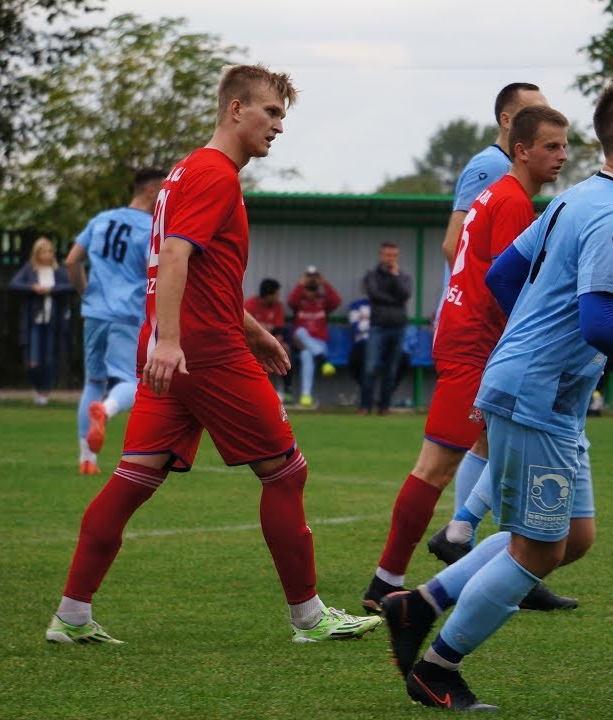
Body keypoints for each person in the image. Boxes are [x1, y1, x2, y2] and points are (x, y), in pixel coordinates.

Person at [381, 79, 613, 710]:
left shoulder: (576, 198)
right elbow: (597, 319)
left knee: (573, 537)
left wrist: (534, 332)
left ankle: (419, 603)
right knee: (538, 547)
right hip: (535, 397)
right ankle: (438, 666)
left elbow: (505, 272)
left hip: (549, 394)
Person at [46, 64, 379, 646]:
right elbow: (175, 257)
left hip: (178, 349)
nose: (278, 126)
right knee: (286, 472)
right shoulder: (214, 174)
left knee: (132, 478)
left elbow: (202, 272)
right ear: (235, 110)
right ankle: (309, 618)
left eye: (282, 115)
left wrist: (248, 329)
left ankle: (71, 615)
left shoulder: (184, 174)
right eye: (270, 112)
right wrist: (176, 341)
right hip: (201, 352)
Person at [363, 105, 576, 615]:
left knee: (497, 449)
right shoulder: (510, 202)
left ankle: (486, 554)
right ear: (521, 149)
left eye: (565, 147)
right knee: (435, 466)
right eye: (552, 147)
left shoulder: (500, 196)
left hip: (468, 336)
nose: (562, 157)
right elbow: (509, 285)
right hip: (474, 346)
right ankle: (384, 583)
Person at [438, 83, 547, 535]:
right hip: (478, 326)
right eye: (533, 111)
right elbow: (453, 244)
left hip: (479, 322)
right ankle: (467, 542)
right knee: (470, 445)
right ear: (509, 121)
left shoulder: (509, 176)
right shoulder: (493, 169)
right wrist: (484, 311)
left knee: (489, 439)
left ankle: (469, 540)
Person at [65, 168, 164, 475]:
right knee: (132, 381)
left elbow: (71, 260)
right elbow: (158, 275)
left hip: (94, 313)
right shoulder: (151, 229)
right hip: (127, 314)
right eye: (163, 191)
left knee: (93, 381)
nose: (166, 197)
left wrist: (86, 293)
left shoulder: (101, 220)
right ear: (150, 191)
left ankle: (87, 460)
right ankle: (105, 411)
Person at [10, 237, 73, 405]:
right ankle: (37, 387)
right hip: (35, 321)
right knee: (33, 360)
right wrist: (33, 288)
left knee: (49, 357)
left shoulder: (58, 271)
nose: (48, 255)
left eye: (50, 251)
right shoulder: (30, 270)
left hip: (53, 321)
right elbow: (14, 284)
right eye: (44, 251)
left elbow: (70, 285)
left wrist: (52, 290)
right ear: (37, 254)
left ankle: (45, 391)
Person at [360, 243, 412, 415]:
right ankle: (365, 406)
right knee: (370, 367)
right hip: (378, 327)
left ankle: (384, 407)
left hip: (398, 327)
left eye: (394, 255)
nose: (391, 258)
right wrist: (397, 301)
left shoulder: (403, 276)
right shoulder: (372, 275)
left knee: (391, 369)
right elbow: (374, 296)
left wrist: (395, 276)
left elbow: (405, 293)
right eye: (388, 255)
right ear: (381, 256)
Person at [287, 265, 341, 408]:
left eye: (313, 289)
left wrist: (324, 283)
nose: (311, 292)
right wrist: (301, 283)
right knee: (301, 333)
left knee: (306, 353)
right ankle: (324, 362)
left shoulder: (322, 301)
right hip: (301, 343)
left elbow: (336, 301)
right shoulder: (299, 302)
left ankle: (306, 395)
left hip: (319, 344)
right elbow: (291, 302)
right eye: (308, 289)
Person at [245, 277, 295, 400]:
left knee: (285, 351)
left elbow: (279, 330)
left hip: (271, 341)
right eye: (277, 294)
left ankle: (287, 389)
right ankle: (255, 392)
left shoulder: (278, 307)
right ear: (268, 294)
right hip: (251, 343)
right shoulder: (250, 305)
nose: (278, 297)